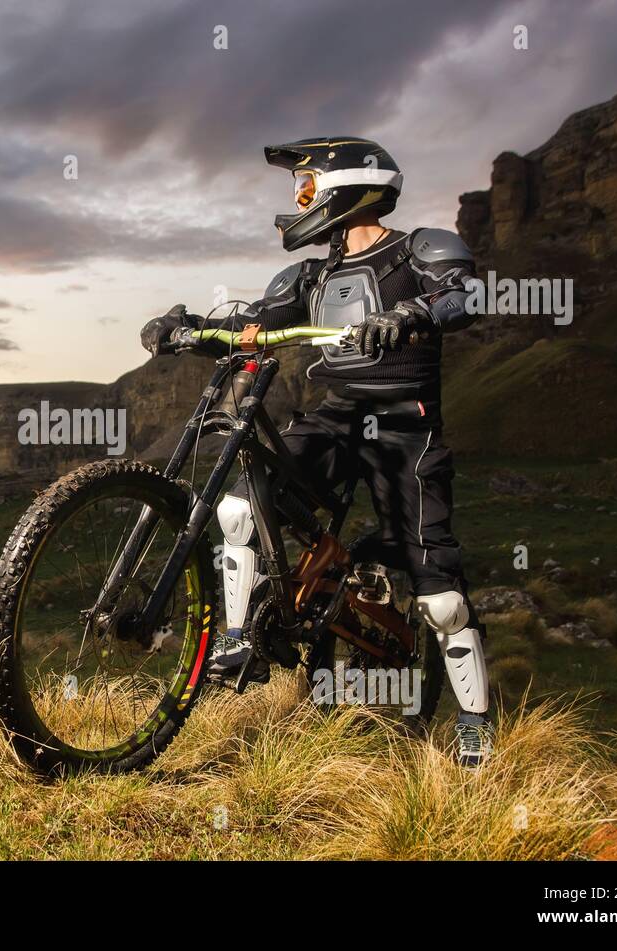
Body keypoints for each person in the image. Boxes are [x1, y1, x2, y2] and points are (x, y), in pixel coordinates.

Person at [139, 137, 493, 768]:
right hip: (335, 419)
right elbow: (254, 322)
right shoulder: (311, 275)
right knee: (239, 510)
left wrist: (412, 311)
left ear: (348, 188)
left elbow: (465, 295)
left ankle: (474, 722)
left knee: (440, 598)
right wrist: (186, 327)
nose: (297, 201)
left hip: (406, 427)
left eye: (305, 187)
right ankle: (240, 638)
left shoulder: (420, 248)